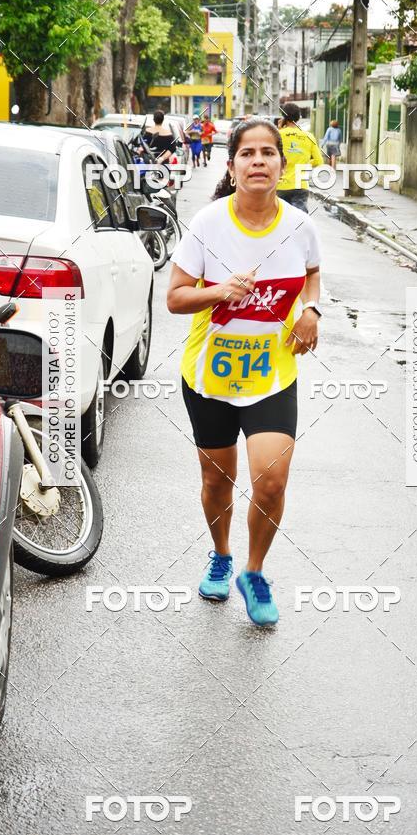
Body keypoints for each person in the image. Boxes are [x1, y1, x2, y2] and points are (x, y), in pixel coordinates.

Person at [167, 118, 322, 626]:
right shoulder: (208, 225)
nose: (259, 161)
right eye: (247, 153)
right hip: (210, 375)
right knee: (217, 482)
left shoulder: (302, 227)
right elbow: (175, 298)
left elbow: (313, 276)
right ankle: (221, 552)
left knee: (272, 482)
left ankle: (254, 572)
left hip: (271, 375)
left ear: (282, 164)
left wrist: (311, 311)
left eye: (268, 153)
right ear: (232, 167)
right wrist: (219, 292)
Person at [276, 102, 323, 212]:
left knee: (280, 221)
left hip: (281, 186)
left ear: (284, 117)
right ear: (299, 117)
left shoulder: (277, 135)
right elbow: (318, 161)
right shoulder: (309, 136)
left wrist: (279, 129)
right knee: (300, 221)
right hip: (300, 185)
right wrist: (304, 164)